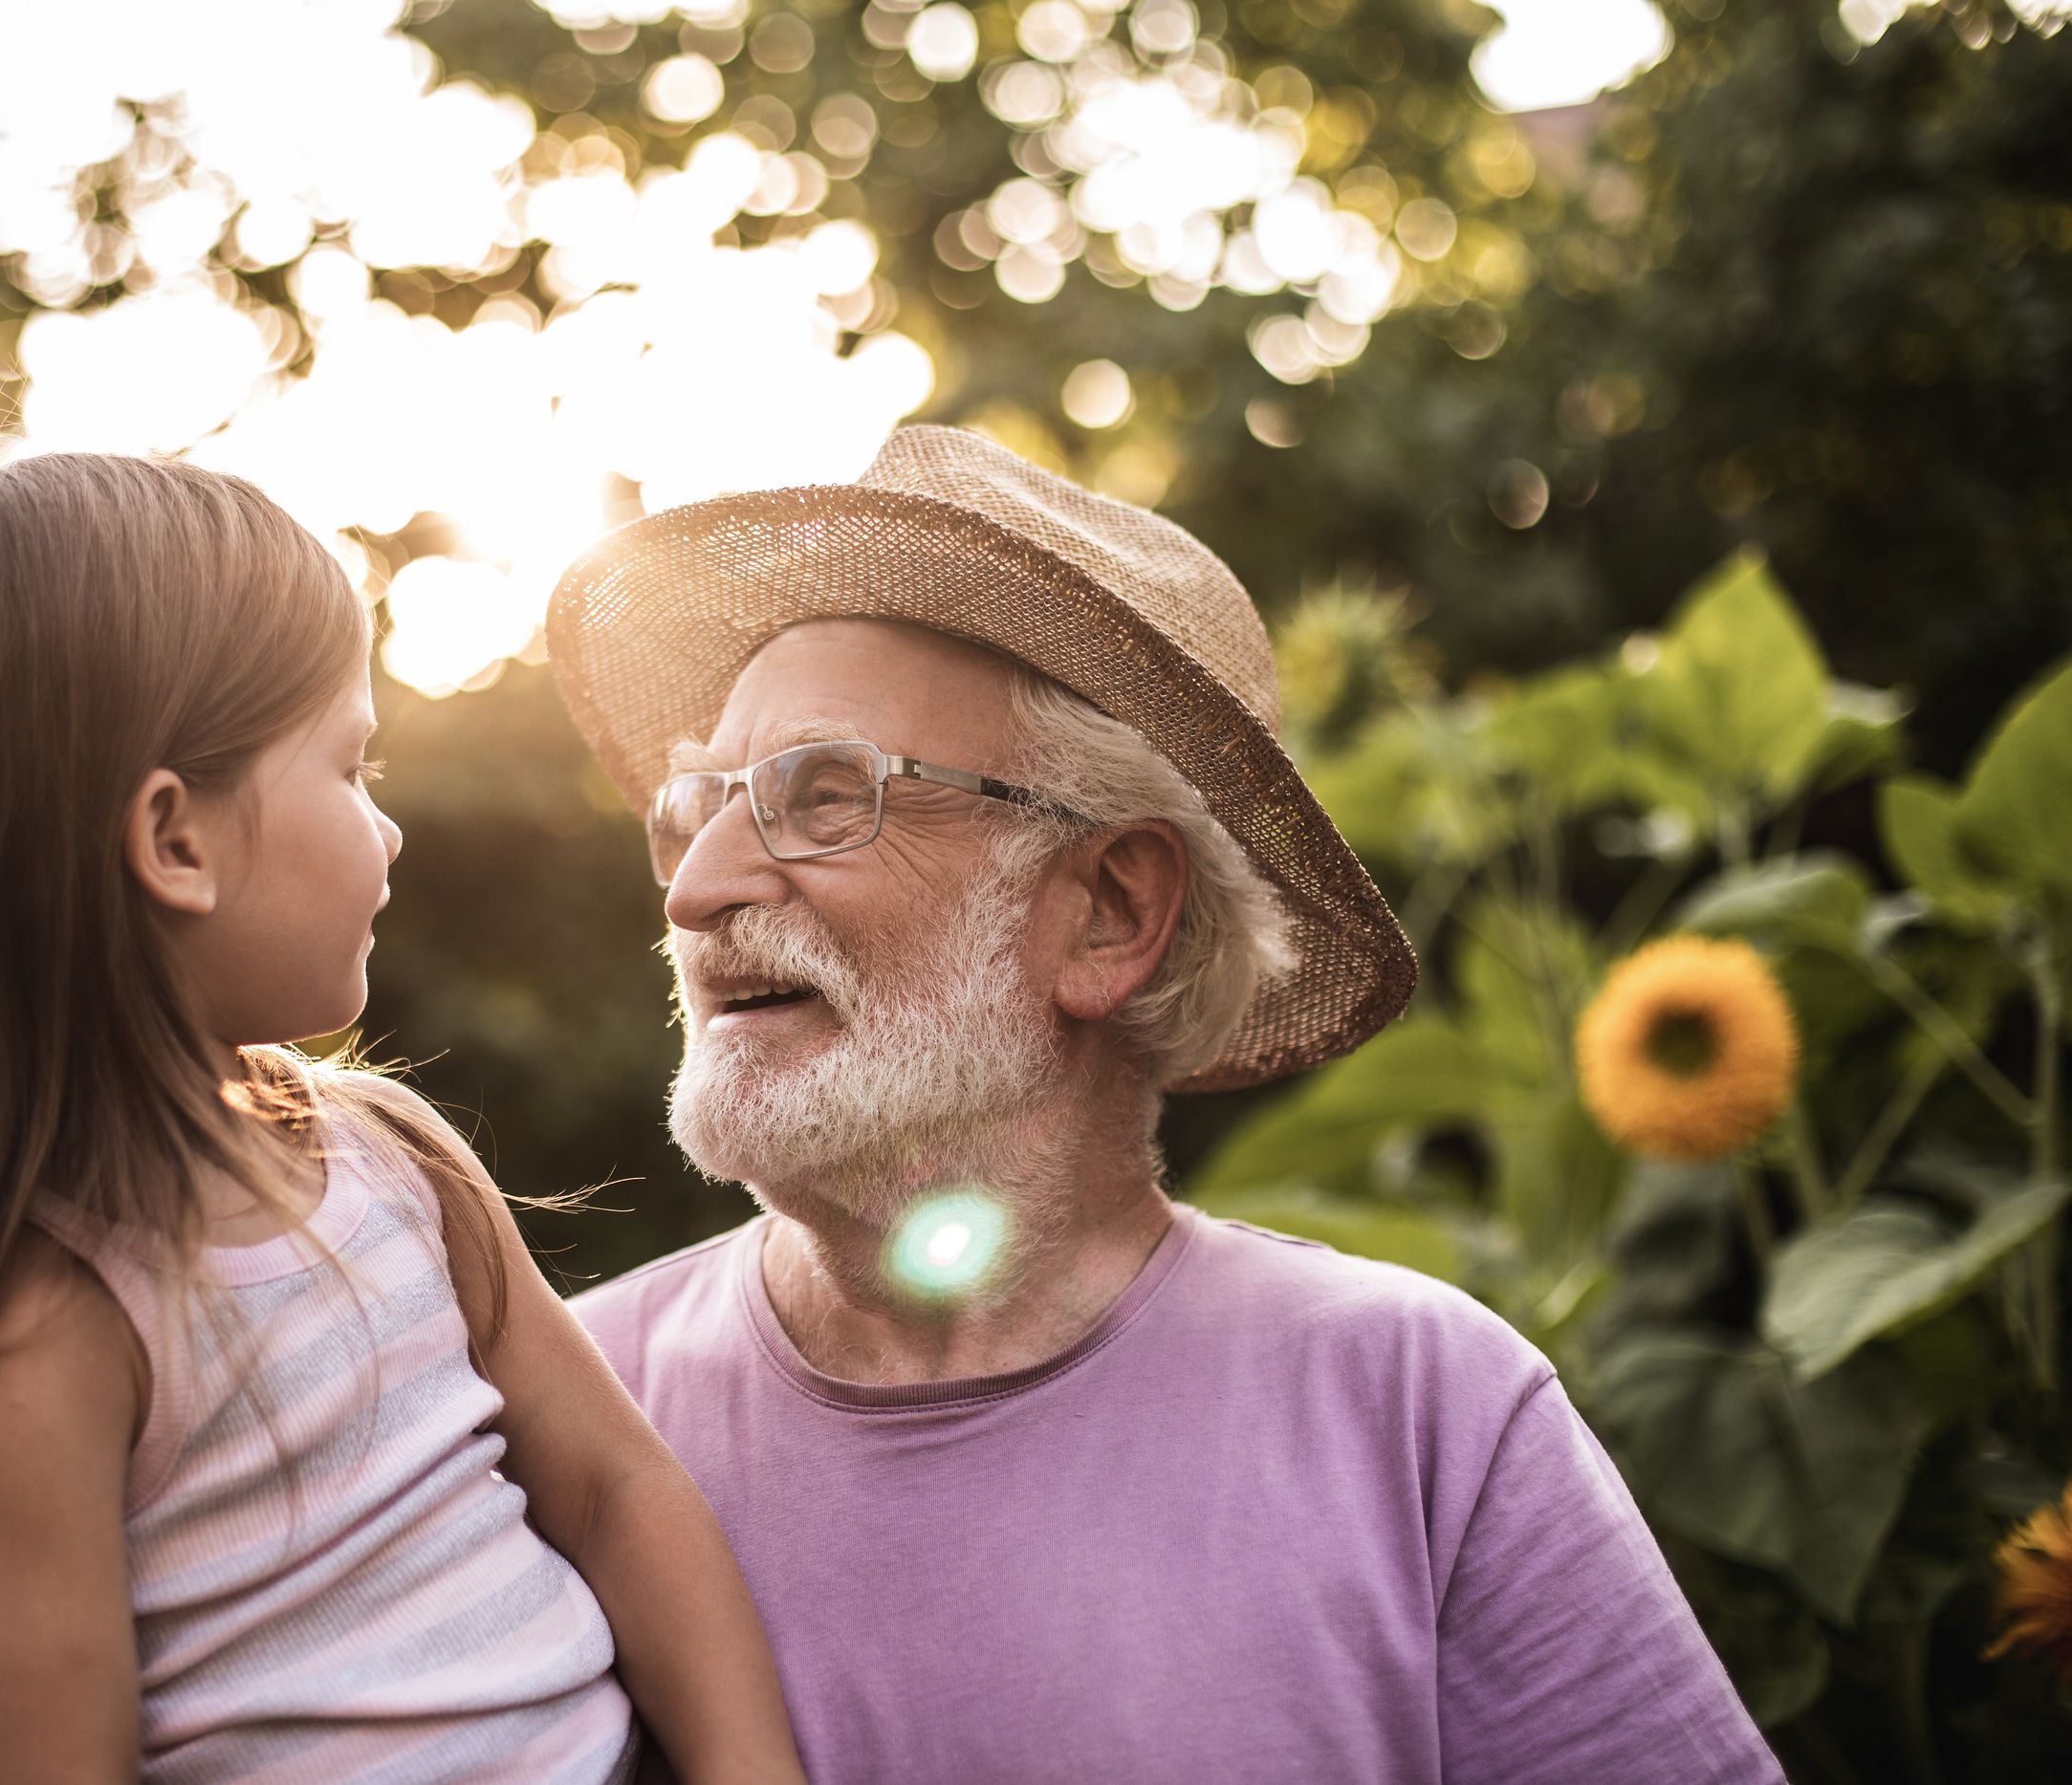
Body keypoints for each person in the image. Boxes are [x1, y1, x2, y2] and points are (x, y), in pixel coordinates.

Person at [543, 424, 1782, 1784]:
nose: (694, 886)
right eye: (695, 802)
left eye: (823, 794)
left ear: (1112, 913)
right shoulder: (549, 1421)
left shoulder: (1421, 1411)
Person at [0, 444, 804, 1785]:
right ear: (176, 843)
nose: (386, 831)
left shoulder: (392, 1166)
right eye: (351, 767)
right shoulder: (47, 1337)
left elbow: (617, 1490)